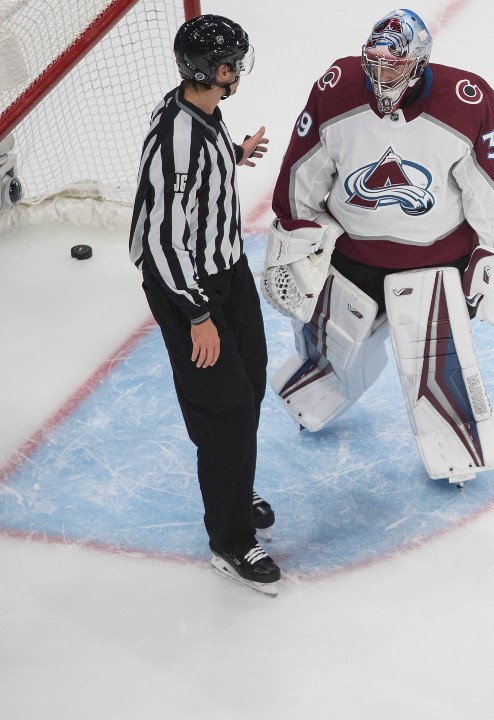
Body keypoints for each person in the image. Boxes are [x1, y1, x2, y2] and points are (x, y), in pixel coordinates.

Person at [262, 8, 494, 486]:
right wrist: (294, 233)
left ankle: (456, 453)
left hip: (434, 264)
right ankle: (315, 395)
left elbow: (493, 189)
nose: (381, 74)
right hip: (351, 259)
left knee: (437, 371)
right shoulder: (338, 88)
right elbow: (302, 168)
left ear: (420, 63)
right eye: (375, 62)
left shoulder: (465, 101)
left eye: (395, 65)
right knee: (327, 356)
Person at [128, 14, 277, 596]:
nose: (236, 71)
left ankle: (234, 482)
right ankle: (230, 539)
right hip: (185, 287)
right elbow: (163, 244)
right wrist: (197, 315)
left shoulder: (204, 112)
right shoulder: (174, 141)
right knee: (225, 409)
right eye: (229, 64)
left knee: (251, 383)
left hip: (228, 269)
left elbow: (197, 178)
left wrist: (234, 155)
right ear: (208, 71)